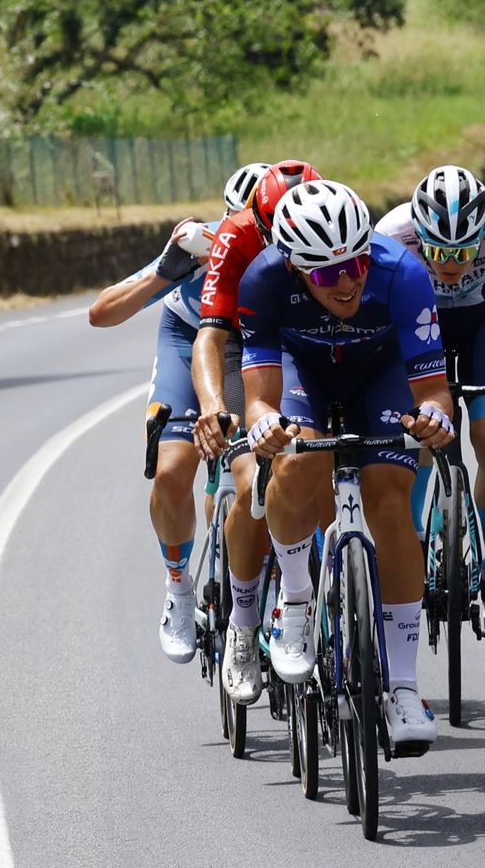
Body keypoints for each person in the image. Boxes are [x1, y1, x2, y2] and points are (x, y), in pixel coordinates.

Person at [238, 179, 455, 752]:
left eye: (356, 262)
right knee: (294, 467)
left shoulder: (402, 273)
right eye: (328, 273)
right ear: (294, 269)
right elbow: (260, 396)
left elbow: (433, 388)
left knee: (389, 499)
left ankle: (404, 687)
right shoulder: (262, 281)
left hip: (380, 374)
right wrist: (262, 424)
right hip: (303, 372)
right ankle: (297, 597)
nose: (349, 280)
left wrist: (434, 418)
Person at [86, 163, 265, 663]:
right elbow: (101, 314)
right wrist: (164, 272)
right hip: (190, 342)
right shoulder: (200, 248)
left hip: (254, 349)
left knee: (268, 459)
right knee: (170, 472)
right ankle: (178, 583)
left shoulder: (292, 254)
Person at [375, 164, 485, 650]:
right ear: (418, 236)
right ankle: (412, 545)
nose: (452, 263)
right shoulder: (392, 233)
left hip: (482, 322)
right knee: (419, 441)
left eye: (466, 251)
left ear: (482, 236)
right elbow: (382, 337)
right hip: (416, 324)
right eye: (440, 251)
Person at [189, 160, 321, 706]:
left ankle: (339, 603)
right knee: (249, 484)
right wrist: (216, 407)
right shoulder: (237, 236)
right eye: (274, 231)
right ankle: (242, 629)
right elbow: (210, 339)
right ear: (258, 220)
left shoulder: (334, 221)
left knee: (325, 465)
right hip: (247, 346)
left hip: (308, 341)